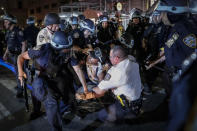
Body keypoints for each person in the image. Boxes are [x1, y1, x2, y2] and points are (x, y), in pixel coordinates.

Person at [17, 31, 79, 131]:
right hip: (42, 79)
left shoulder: (66, 51)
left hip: (56, 77)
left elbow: (75, 65)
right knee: (51, 102)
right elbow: (21, 57)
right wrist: (20, 72)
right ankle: (56, 127)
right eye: (66, 48)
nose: (68, 50)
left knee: (70, 96)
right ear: (58, 46)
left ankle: (59, 113)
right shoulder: (41, 49)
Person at [76, 45, 142, 122]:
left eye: (110, 57)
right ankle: (133, 114)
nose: (109, 58)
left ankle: (127, 117)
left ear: (116, 58)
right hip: (138, 97)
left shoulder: (115, 73)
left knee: (102, 115)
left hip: (126, 104)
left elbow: (99, 92)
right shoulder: (131, 58)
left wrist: (86, 93)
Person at [2, 14, 26, 98]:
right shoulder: (9, 32)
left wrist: (21, 57)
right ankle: (19, 85)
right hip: (12, 56)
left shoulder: (17, 31)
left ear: (11, 22)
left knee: (19, 73)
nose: (4, 24)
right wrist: (5, 54)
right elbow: (9, 45)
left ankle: (21, 90)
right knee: (16, 73)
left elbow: (24, 43)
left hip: (17, 56)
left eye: (6, 22)